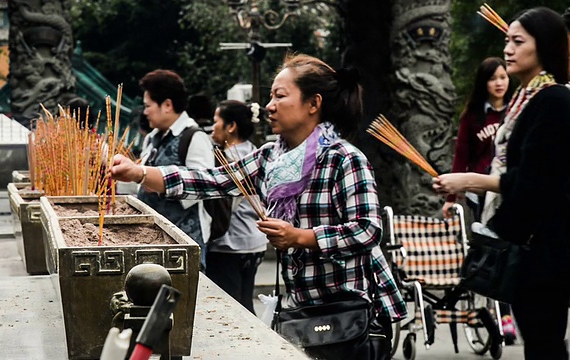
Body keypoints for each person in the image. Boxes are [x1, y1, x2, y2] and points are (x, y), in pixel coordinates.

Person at [111, 54, 407, 358]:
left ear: (313, 103)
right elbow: (212, 180)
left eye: (280, 95)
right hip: (302, 310)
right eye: (270, 96)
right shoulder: (270, 157)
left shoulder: (344, 158)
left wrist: (300, 238)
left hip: (348, 309)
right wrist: (140, 173)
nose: (269, 105)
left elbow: (368, 230)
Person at [433, 7, 570, 359]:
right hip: (532, 246)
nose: (507, 49)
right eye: (506, 39)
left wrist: (472, 180)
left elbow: (536, 183)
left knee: (544, 343)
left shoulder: (554, 101)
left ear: (545, 46)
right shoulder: (524, 100)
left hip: (547, 249)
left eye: (518, 41)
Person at [137, 69, 214, 270]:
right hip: (151, 240)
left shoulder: (194, 137)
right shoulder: (152, 138)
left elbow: (203, 187)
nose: (145, 112)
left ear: (168, 105)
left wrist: (159, 183)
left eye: (148, 106)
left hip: (184, 242)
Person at [206, 100, 267, 314]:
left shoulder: (227, 160)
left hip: (228, 245)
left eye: (216, 121)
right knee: (245, 303)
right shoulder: (256, 152)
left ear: (231, 126)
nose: (212, 127)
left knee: (229, 311)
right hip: (255, 242)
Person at [442, 57, 510, 220]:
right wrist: (450, 199)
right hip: (479, 188)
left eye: (503, 77)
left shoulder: (515, 112)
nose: (499, 83)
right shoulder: (471, 117)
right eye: (492, 79)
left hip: (507, 185)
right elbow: (461, 157)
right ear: (483, 82)